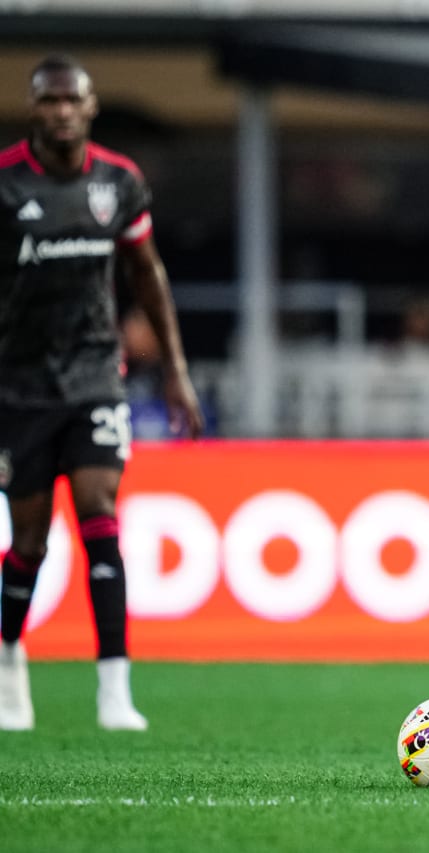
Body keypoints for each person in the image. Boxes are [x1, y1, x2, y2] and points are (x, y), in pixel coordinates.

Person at [0, 56, 204, 731]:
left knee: (98, 509)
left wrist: (174, 369)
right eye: (48, 100)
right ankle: (7, 659)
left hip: (94, 373)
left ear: (90, 109)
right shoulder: (6, 184)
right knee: (27, 539)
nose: (60, 110)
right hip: (18, 381)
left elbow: (148, 275)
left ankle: (114, 687)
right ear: (34, 109)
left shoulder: (118, 182)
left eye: (72, 100)